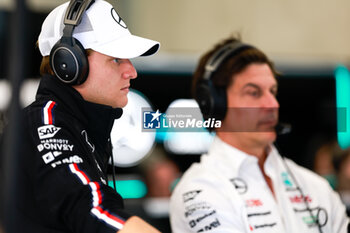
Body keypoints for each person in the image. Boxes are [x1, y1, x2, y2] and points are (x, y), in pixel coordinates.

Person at [1, 0, 162, 232]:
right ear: (69, 64)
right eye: (116, 59)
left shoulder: (78, 126)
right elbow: (91, 210)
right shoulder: (45, 125)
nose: (131, 71)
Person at [169, 36, 349, 233]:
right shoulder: (198, 191)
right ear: (215, 105)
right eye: (254, 93)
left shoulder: (315, 186)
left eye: (272, 91)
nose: (272, 104)